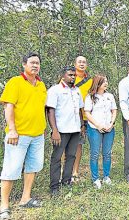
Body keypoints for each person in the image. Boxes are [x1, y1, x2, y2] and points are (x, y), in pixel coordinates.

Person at [0, 52, 46, 220]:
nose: (35, 65)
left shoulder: (41, 84)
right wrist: (12, 129)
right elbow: (8, 106)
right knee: (11, 170)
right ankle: (4, 206)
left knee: (33, 167)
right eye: (32, 62)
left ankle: (25, 198)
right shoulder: (15, 82)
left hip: (38, 135)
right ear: (24, 65)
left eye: (37, 63)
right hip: (18, 135)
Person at [46, 66, 84, 196]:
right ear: (63, 76)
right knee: (57, 157)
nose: (73, 77)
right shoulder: (54, 90)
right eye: (70, 75)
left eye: (74, 75)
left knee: (71, 156)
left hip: (75, 129)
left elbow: (80, 110)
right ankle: (54, 186)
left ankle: (66, 181)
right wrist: (54, 130)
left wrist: (82, 125)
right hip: (61, 130)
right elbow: (50, 111)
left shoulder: (77, 90)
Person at [84, 74, 117, 189]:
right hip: (95, 129)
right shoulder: (90, 97)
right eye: (104, 82)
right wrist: (98, 125)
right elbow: (87, 113)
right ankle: (95, 178)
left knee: (107, 153)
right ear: (98, 83)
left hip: (109, 128)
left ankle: (106, 176)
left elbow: (114, 110)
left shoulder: (110, 96)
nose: (106, 84)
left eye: (107, 81)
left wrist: (111, 123)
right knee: (95, 154)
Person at [72, 56, 93, 182]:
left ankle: (75, 171)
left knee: (79, 144)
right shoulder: (69, 77)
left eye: (84, 62)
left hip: (87, 116)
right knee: (68, 144)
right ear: (75, 64)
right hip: (73, 116)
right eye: (79, 62)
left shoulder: (89, 80)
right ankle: (66, 170)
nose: (82, 64)